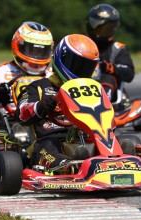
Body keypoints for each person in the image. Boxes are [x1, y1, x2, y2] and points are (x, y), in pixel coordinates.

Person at [15, 34, 99, 172]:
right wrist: (45, 105)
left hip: (82, 136)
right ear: (62, 60)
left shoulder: (90, 90)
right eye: (78, 65)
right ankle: (68, 166)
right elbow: (21, 115)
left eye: (86, 68)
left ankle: (119, 157)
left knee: (106, 141)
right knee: (47, 147)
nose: (82, 72)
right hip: (49, 137)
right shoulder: (39, 86)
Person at [0, 21, 54, 117]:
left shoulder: (51, 75)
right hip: (11, 123)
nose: (37, 57)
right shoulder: (0, 73)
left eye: (41, 52)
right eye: (32, 51)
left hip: (48, 120)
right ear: (17, 45)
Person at [86, 3, 135, 105]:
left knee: (108, 77)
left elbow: (129, 73)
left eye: (108, 28)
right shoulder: (82, 44)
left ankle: (102, 105)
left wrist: (110, 68)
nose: (103, 31)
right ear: (91, 25)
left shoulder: (118, 48)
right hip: (82, 84)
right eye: (99, 27)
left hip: (106, 88)